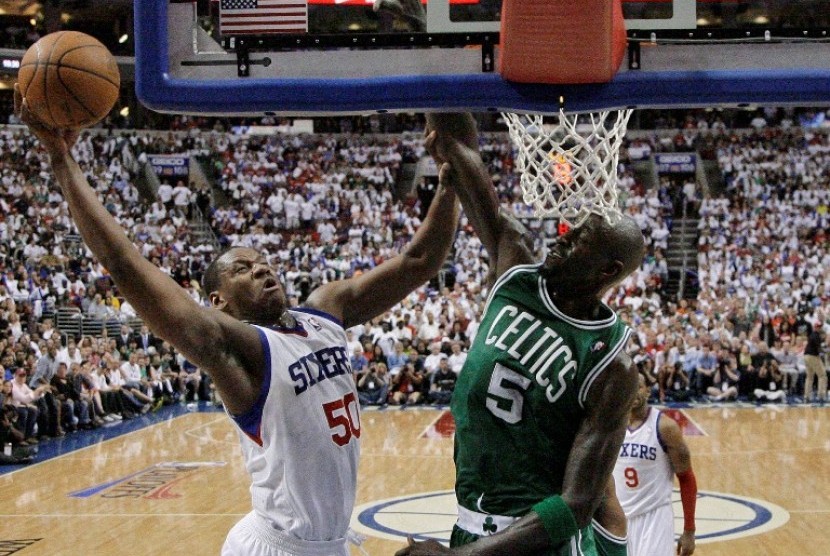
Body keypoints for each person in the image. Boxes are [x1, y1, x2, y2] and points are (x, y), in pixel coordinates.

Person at [15, 86, 459, 556]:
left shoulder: (326, 311)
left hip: (327, 543)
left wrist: (450, 180)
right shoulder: (241, 350)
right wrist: (61, 161)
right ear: (218, 301)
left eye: (263, 261)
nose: (262, 268)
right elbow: (126, 264)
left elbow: (419, 261)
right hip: (280, 547)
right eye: (242, 270)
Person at [397, 113, 645, 556]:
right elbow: (466, 156)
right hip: (471, 523)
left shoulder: (611, 364)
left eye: (578, 240)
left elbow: (577, 505)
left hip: (536, 544)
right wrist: (439, 90)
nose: (561, 239)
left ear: (607, 271)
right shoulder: (516, 273)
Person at [612, 374, 697, 556]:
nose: (634, 392)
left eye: (639, 386)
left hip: (655, 519)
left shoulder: (666, 428)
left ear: (648, 391)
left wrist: (689, 530)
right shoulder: (611, 427)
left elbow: (686, 478)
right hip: (618, 518)